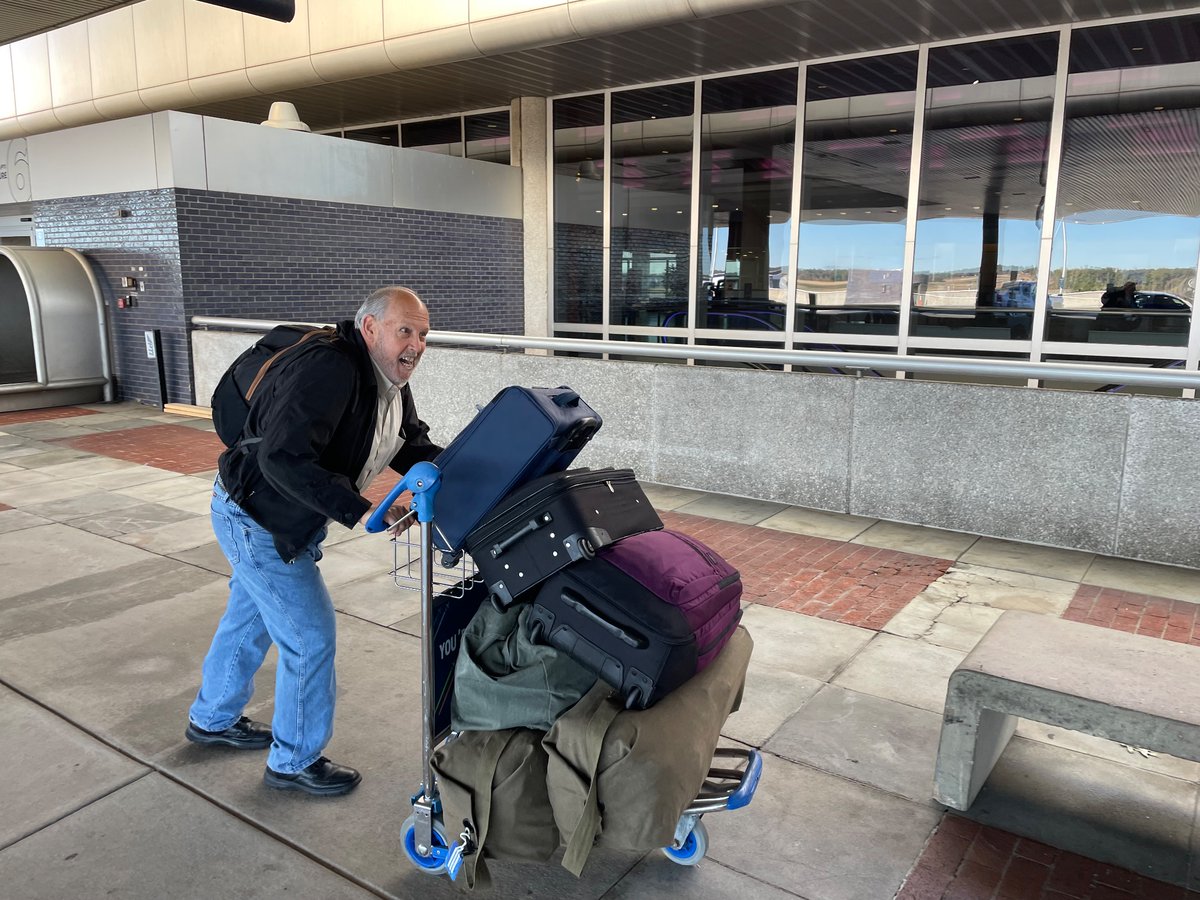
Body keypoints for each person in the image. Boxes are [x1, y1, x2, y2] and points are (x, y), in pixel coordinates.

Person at [185, 286, 441, 796]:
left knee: (249, 619)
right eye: (405, 331)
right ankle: (294, 760)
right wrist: (363, 508)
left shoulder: (386, 377)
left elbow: (408, 441)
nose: (416, 344)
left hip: (274, 516)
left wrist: (457, 470)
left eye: (424, 334)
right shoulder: (330, 369)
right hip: (257, 518)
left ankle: (211, 719)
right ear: (370, 329)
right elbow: (283, 456)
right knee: (309, 637)